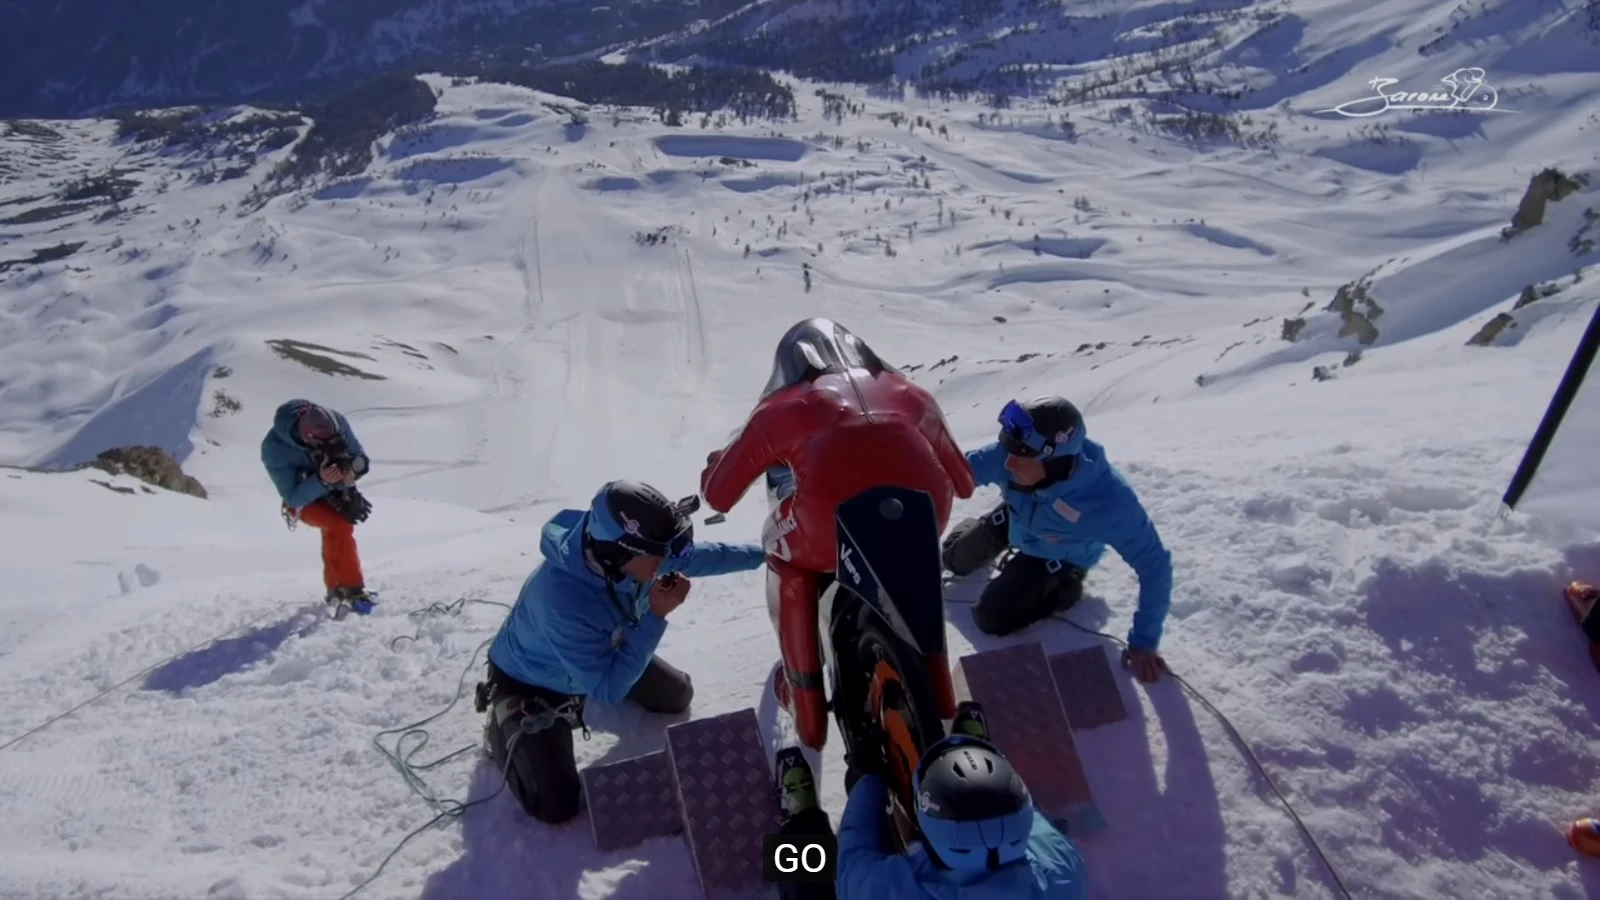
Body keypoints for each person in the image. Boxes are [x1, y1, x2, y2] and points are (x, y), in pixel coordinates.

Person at [699, 318, 976, 751]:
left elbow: (718, 494)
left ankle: (805, 704)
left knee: (781, 552)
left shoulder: (780, 407)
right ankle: (940, 690)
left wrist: (717, 463)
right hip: (923, 507)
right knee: (918, 548)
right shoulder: (912, 393)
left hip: (826, 522)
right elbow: (964, 482)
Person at [480, 479, 765, 825]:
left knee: (678, 696)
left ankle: (584, 684)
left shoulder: (624, 554)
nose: (668, 560)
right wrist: (656, 616)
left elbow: (698, 558)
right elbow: (609, 690)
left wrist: (766, 555)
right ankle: (501, 724)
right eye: (659, 553)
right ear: (619, 553)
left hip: (601, 653)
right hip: (532, 681)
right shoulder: (562, 601)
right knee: (556, 806)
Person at [942, 395, 1173, 683]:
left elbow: (1155, 565)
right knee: (952, 558)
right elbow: (957, 474)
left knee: (991, 616)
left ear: (1054, 462)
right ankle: (996, 534)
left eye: (1019, 456)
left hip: (1059, 553)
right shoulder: (1015, 455)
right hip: (1019, 517)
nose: (1008, 462)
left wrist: (1144, 641)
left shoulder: (1108, 502)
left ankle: (1066, 586)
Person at [772, 702, 1088, 899]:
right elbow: (1025, 809)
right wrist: (985, 774)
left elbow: (852, 856)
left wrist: (868, 778)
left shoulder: (886, 890)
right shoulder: (1064, 866)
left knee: (806, 881)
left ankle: (798, 820)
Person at [260, 399, 376, 617]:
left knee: (339, 529)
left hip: (337, 488)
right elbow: (292, 497)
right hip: (305, 499)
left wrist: (354, 472)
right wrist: (321, 480)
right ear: (306, 438)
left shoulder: (336, 421)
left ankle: (336, 590)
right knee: (338, 526)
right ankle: (352, 588)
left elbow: (357, 455)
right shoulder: (274, 449)